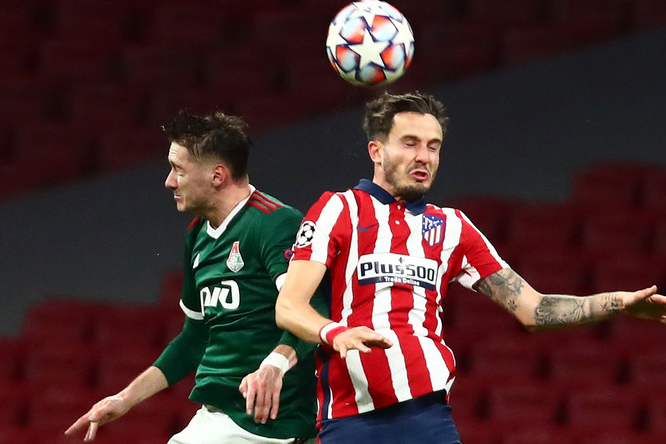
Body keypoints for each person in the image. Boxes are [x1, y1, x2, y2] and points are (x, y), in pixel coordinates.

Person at [274, 91, 666, 443]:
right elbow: (289, 306)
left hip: (429, 417)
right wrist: (336, 333)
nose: (424, 157)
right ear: (376, 151)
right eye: (410, 143)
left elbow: (534, 309)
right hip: (352, 421)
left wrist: (618, 304)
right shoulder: (337, 209)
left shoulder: (452, 226)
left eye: (433, 146)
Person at [66, 110, 321, 443]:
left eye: (178, 170)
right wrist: (125, 399)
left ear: (217, 175)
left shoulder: (275, 224)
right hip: (220, 415)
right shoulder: (197, 235)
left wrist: (274, 365)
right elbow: (195, 337)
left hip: (267, 421)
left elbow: (312, 310)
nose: (169, 181)